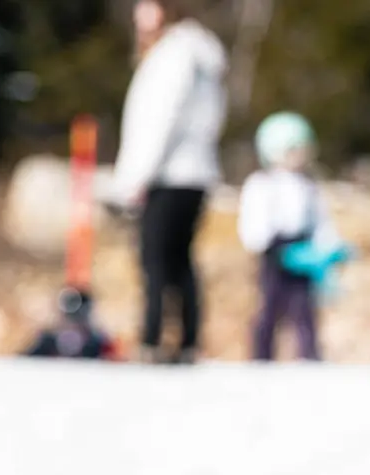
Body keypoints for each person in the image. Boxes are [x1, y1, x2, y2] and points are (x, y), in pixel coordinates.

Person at [112, 0, 225, 365]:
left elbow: (161, 120)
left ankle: (153, 339)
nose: (137, 18)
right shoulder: (201, 57)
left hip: (168, 173)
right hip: (196, 171)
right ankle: (188, 340)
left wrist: (136, 177)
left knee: (156, 259)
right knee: (179, 259)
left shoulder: (173, 56)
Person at [239, 112, 348, 362]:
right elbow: (253, 220)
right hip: (274, 252)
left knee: (304, 308)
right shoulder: (262, 184)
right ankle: (261, 358)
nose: (300, 156)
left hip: (304, 252)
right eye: (293, 150)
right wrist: (262, 242)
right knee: (269, 307)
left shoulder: (309, 186)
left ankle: (309, 356)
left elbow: (321, 221)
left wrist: (330, 247)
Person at [22, 286, 117, 360]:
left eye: (79, 318)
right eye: (70, 317)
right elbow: (24, 365)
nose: (73, 323)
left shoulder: (100, 345)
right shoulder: (47, 341)